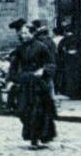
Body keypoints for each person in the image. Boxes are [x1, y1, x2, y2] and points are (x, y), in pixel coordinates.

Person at [17, 20, 58, 148]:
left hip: (38, 84)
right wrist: (11, 80)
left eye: (25, 33)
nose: (23, 35)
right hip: (25, 82)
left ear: (32, 33)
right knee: (23, 110)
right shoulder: (20, 48)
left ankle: (35, 138)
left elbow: (51, 63)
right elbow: (15, 65)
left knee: (37, 111)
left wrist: (43, 70)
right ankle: (33, 134)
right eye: (22, 33)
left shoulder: (41, 47)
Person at [54, 24, 81, 100]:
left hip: (68, 60)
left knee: (69, 77)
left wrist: (65, 55)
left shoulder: (64, 39)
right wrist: (78, 53)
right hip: (78, 60)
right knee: (78, 77)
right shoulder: (79, 38)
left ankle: (71, 93)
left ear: (66, 31)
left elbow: (59, 50)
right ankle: (78, 94)